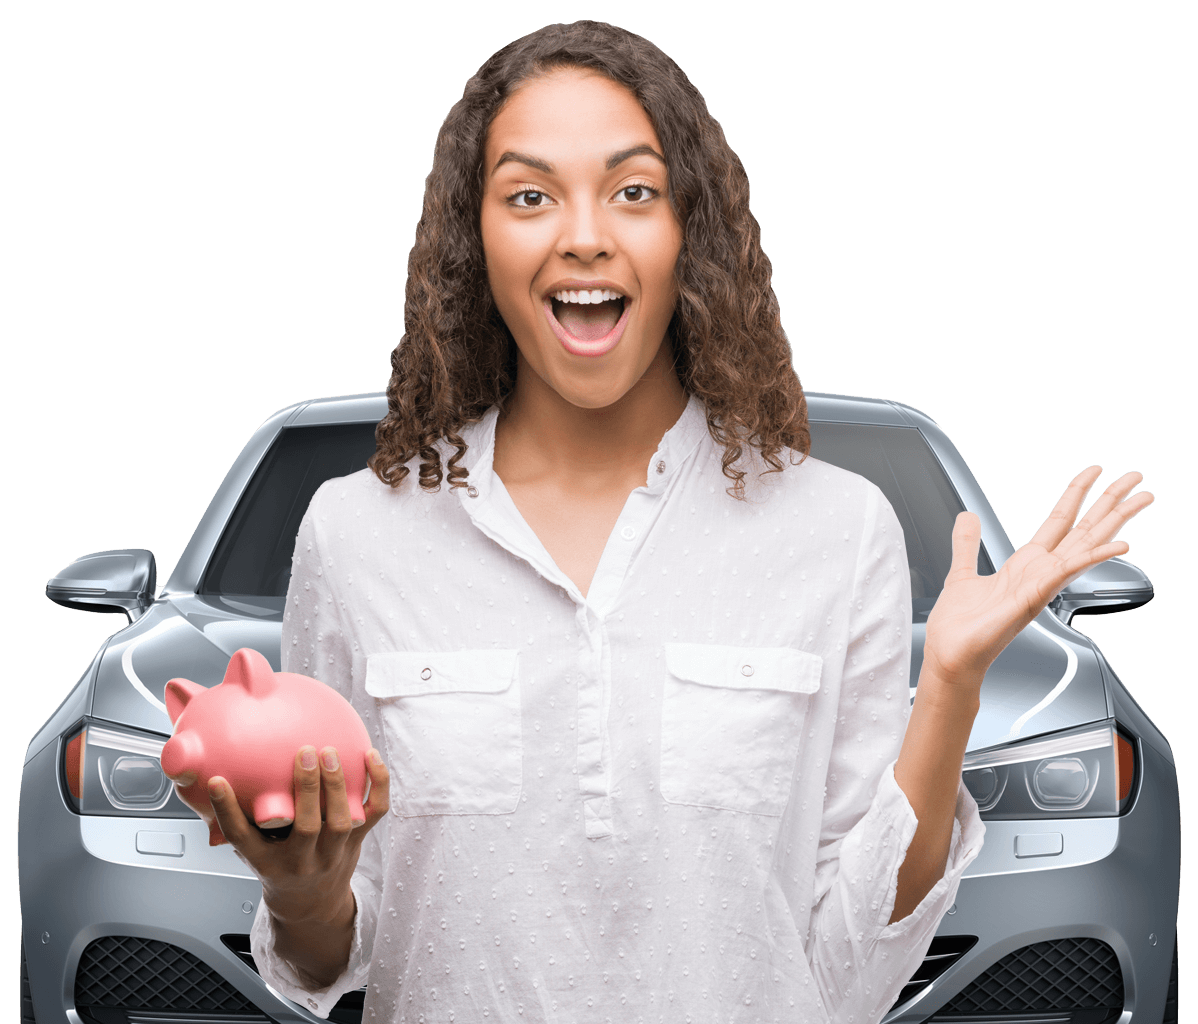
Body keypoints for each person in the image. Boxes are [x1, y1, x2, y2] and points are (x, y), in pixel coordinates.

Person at [169, 21, 1153, 1024]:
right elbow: (334, 956)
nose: (584, 233)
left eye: (633, 191)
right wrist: (302, 890)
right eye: (529, 195)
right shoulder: (356, 534)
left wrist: (946, 685)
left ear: (690, 230)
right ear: (476, 241)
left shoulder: (837, 530)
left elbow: (847, 975)